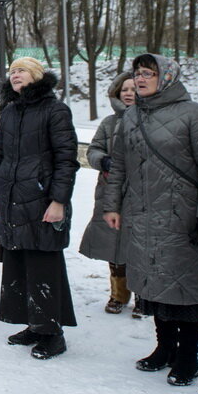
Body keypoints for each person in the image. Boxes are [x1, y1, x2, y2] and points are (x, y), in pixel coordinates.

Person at [103, 54, 198, 386]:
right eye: (137, 73)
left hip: (182, 218)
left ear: (166, 77)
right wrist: (112, 206)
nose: (140, 79)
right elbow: (120, 168)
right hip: (142, 217)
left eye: (148, 74)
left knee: (185, 288)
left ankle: (188, 358)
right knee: (154, 285)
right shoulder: (131, 116)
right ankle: (165, 349)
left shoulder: (194, 114)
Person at [0, 57, 78, 360]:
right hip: (11, 201)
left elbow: (66, 159)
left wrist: (59, 201)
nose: (14, 75)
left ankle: (53, 333)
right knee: (18, 265)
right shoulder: (10, 111)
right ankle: (34, 325)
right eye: (10, 72)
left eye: (20, 70)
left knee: (42, 266)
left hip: (41, 203)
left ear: (36, 75)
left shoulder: (55, 110)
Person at [78, 71, 140, 315]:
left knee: (139, 245)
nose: (128, 94)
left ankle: (144, 296)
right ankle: (118, 294)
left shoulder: (153, 120)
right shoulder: (109, 123)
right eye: (124, 89)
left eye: (134, 89)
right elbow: (93, 150)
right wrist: (103, 161)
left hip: (140, 194)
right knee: (113, 244)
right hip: (110, 191)